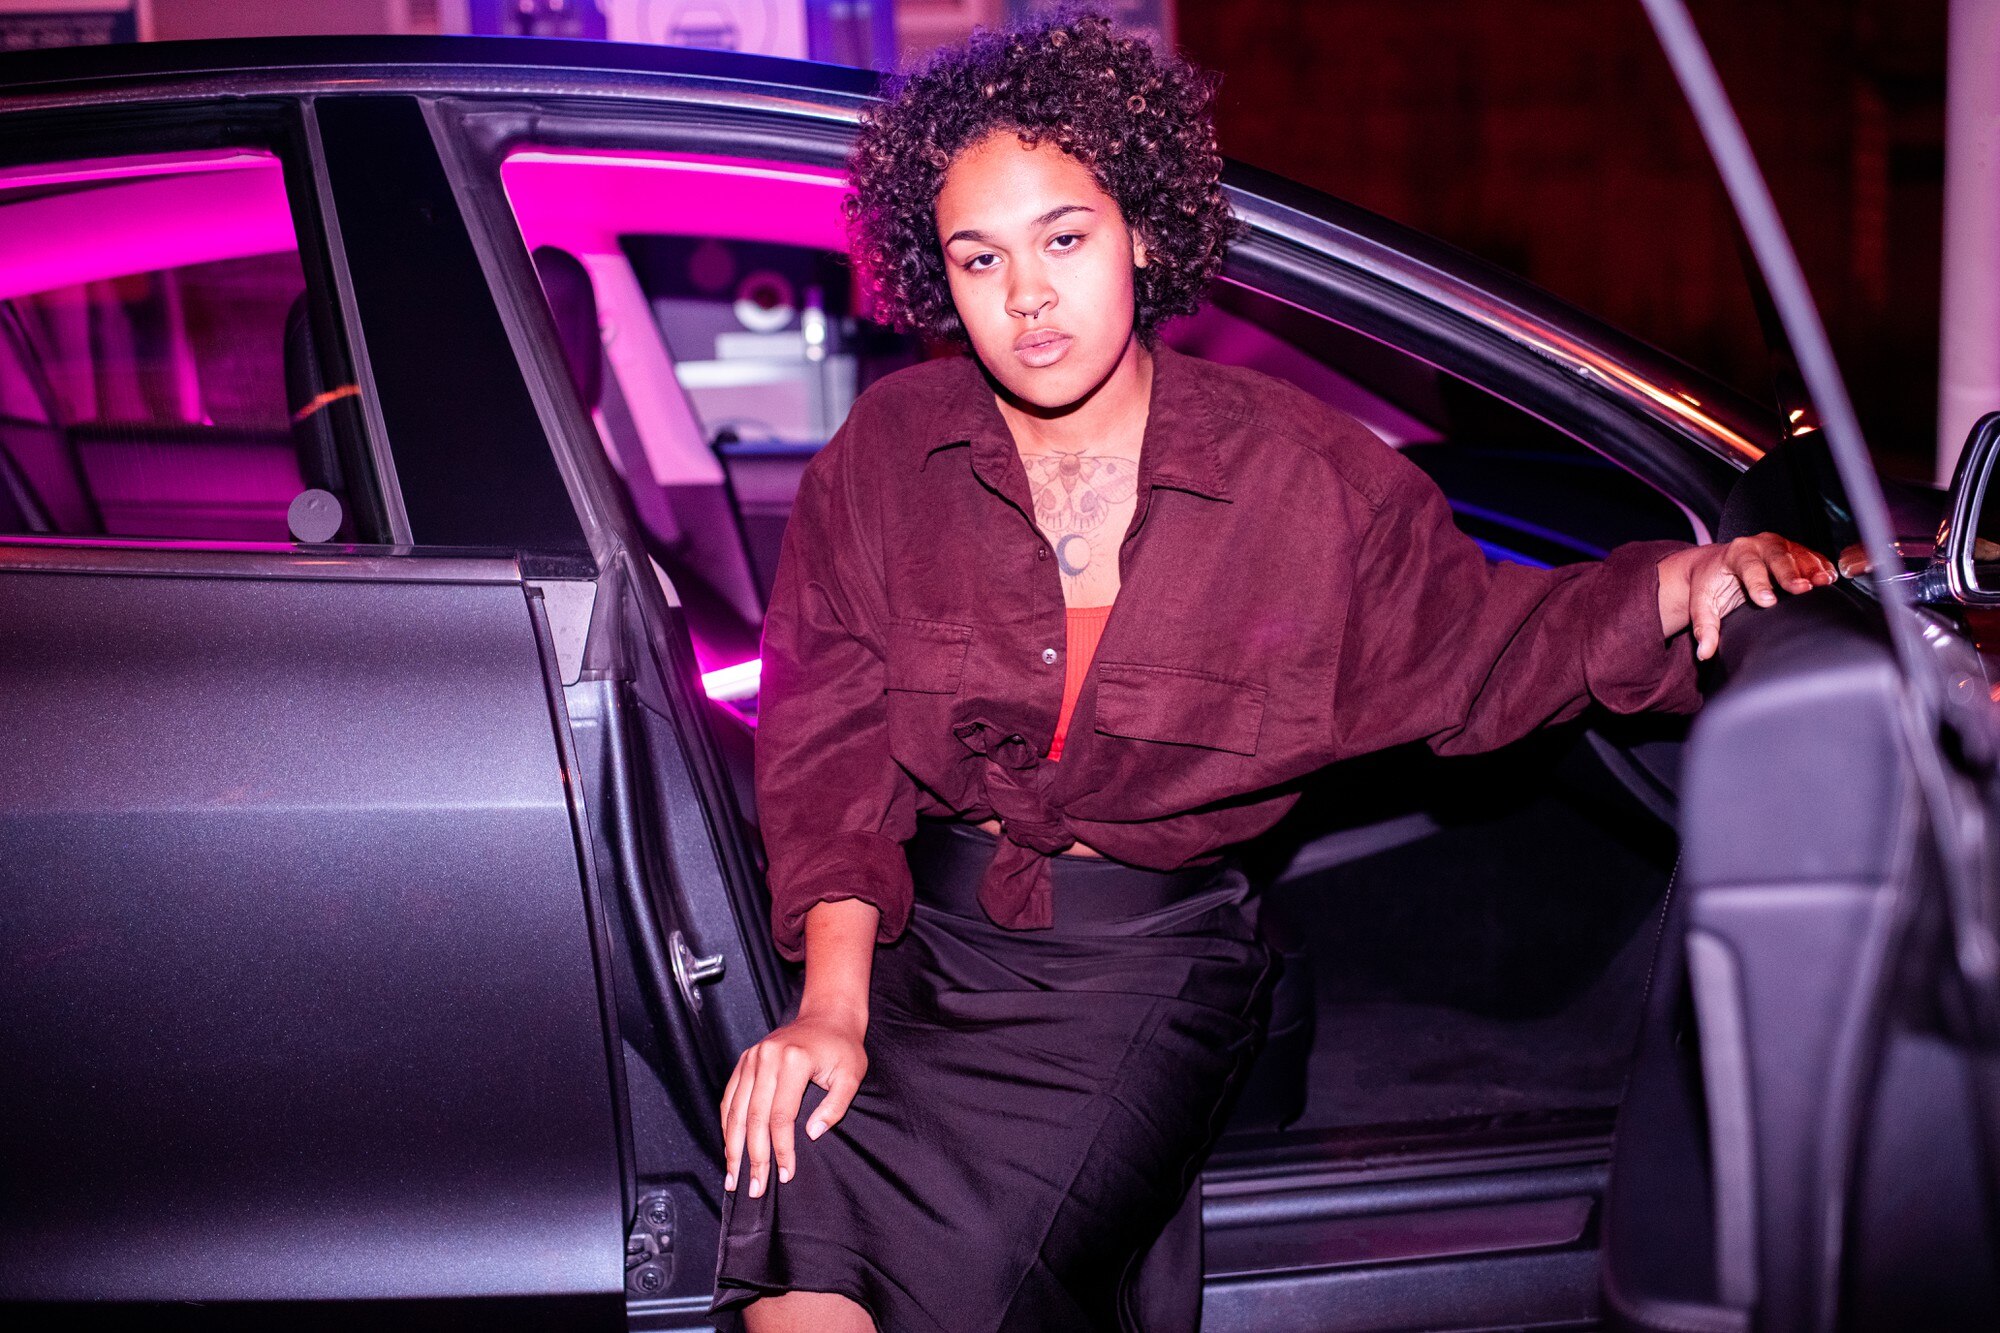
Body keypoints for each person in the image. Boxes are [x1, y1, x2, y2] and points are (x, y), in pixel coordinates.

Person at [708, 14, 1835, 1333]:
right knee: (798, 1260)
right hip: (921, 954)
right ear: (934, 272)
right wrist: (831, 1010)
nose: (1025, 298)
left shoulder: (1301, 476)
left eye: (1064, 239)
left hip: (1143, 965)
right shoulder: (889, 454)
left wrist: (1688, 585)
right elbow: (828, 752)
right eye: (980, 257)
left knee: (959, 1284)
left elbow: (1484, 644)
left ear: (1142, 231)